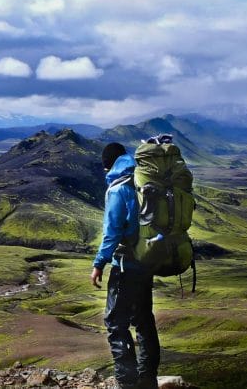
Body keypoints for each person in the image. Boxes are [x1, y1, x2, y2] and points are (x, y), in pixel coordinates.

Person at [91, 142, 160, 389]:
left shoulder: (118, 188)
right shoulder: (142, 180)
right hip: (147, 262)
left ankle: (127, 384)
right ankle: (148, 380)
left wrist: (99, 263)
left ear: (107, 164)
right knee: (144, 320)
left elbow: (112, 231)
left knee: (115, 323)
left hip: (126, 265)